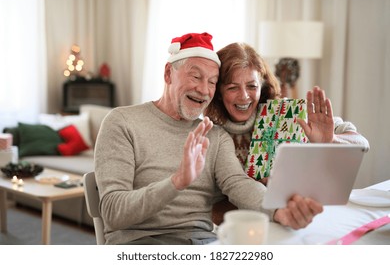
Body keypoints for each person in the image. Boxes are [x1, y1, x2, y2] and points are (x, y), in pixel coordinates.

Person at [94, 32, 323, 245]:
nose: (204, 90)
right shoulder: (122, 122)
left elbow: (239, 184)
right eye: (196, 76)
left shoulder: (214, 135)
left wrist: (280, 210)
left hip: (204, 244)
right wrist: (176, 182)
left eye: (212, 82)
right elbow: (113, 213)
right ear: (167, 74)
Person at [204, 42, 370, 225]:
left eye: (252, 86)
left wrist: (331, 140)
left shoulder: (288, 113)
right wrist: (269, 192)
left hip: (300, 218)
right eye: (232, 87)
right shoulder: (210, 133)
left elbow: (362, 144)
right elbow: (212, 207)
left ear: (262, 86)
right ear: (218, 92)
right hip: (243, 227)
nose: (244, 96)